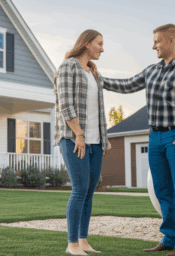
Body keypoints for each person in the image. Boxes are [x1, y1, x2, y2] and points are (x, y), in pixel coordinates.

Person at [102, 24, 175, 256]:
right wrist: (99, 79)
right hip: (155, 137)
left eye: (157, 41)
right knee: (162, 191)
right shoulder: (151, 71)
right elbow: (127, 85)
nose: (153, 46)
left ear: (171, 40)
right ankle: (170, 238)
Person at [53, 29, 111, 256]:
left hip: (95, 142)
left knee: (88, 192)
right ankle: (72, 244)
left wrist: (104, 139)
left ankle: (83, 241)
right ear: (87, 43)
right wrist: (78, 134)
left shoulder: (95, 72)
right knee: (79, 189)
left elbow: (99, 110)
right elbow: (65, 104)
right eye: (99, 43)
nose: (102, 49)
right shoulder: (68, 67)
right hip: (74, 139)